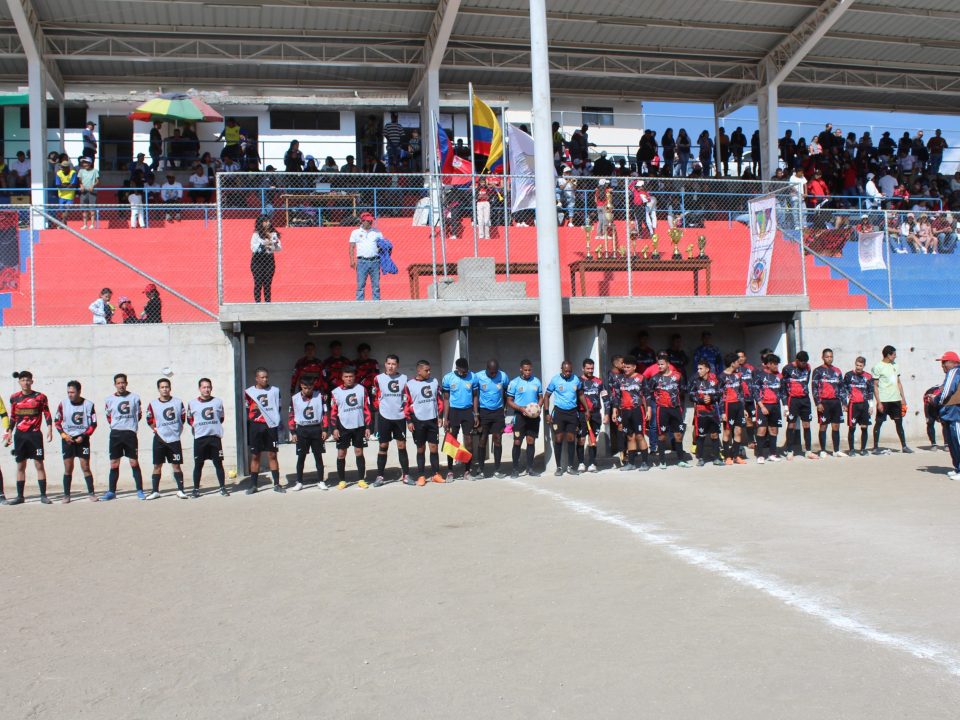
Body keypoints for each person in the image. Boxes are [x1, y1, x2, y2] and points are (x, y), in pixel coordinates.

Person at [4, 371, 53, 505]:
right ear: (19, 382)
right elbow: (13, 416)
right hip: (20, 435)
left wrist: (49, 428)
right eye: (23, 380)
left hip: (35, 435)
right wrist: (9, 432)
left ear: (32, 381)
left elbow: (47, 413)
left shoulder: (40, 397)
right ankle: (20, 496)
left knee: (39, 464)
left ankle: (43, 495)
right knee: (20, 465)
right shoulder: (14, 397)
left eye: (28, 380)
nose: (25, 382)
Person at [102, 373, 144, 500]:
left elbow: (139, 414)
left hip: (130, 433)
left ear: (126, 383)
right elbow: (109, 416)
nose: (121, 385)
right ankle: (111, 491)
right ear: (115, 385)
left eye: (123, 382)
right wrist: (117, 425)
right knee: (114, 463)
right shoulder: (109, 399)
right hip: (116, 433)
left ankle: (140, 490)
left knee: (133, 462)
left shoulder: (135, 398)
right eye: (118, 383)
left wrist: (130, 425)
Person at [404, 359, 446, 485]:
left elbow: (439, 400)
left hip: (432, 420)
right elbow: (406, 404)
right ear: (419, 371)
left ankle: (436, 474)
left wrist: (440, 416)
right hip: (418, 421)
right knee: (421, 449)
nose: (429, 372)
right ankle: (421, 475)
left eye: (429, 370)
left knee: (434, 448)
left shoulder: (434, 382)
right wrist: (409, 420)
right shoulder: (409, 384)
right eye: (426, 370)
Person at [55, 380, 97, 503]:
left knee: (85, 467)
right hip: (68, 439)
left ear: (79, 392)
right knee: (68, 467)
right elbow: (57, 421)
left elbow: (93, 423)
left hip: (82, 439)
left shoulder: (88, 404)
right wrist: (64, 435)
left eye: (72, 392)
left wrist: (83, 436)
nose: (70, 394)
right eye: (68, 392)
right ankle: (66, 495)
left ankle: (91, 493)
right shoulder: (63, 404)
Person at [144, 378, 187, 500]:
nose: (164, 389)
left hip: (174, 440)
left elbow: (183, 418)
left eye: (166, 387)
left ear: (170, 388)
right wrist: (157, 430)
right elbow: (149, 419)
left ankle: (181, 490)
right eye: (162, 387)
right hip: (160, 440)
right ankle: (155, 491)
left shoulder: (178, 402)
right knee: (157, 465)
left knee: (176, 466)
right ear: (159, 389)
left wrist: (176, 431)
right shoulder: (153, 404)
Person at [244, 367, 284, 494]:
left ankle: (277, 484)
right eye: (262, 377)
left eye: (266, 377)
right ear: (256, 378)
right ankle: (253, 485)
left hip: (270, 426)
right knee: (255, 455)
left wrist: (271, 418)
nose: (265, 379)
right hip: (256, 427)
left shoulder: (275, 391)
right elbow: (247, 409)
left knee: (272, 454)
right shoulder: (249, 392)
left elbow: (279, 407)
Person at [647, 352, 690, 469]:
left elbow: (683, 389)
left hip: (676, 409)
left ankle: (681, 460)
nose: (659, 366)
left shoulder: (678, 376)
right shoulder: (655, 378)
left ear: (668, 364)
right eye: (658, 364)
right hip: (662, 410)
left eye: (662, 364)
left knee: (678, 435)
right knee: (662, 436)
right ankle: (662, 461)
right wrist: (650, 406)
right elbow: (648, 393)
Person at [331, 366, 372, 489]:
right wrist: (334, 428)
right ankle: (342, 481)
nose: (349, 379)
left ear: (354, 377)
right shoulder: (336, 392)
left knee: (359, 452)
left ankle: (361, 480)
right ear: (342, 378)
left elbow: (366, 408)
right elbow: (333, 412)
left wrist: (368, 426)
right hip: (343, 427)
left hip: (359, 426)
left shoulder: (362, 389)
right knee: (341, 453)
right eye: (346, 377)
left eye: (351, 376)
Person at [187, 377, 229, 497]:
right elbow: (189, 419)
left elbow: (221, 418)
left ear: (211, 388)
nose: (206, 389)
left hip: (214, 438)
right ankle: (196, 489)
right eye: (204, 387)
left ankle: (222, 487)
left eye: (208, 387)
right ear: (199, 388)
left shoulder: (218, 402)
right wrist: (199, 427)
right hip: (200, 438)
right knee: (198, 464)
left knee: (218, 463)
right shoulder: (192, 403)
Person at [373, 354, 410, 486]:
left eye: (393, 364)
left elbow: (407, 397)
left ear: (397, 365)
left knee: (402, 446)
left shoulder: (404, 378)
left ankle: (406, 475)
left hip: (399, 417)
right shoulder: (378, 378)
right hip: (384, 417)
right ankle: (380, 476)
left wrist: (406, 414)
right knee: (383, 446)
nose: (391, 366)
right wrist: (379, 408)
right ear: (385, 364)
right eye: (388, 363)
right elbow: (374, 396)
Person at [543, 360, 585, 476]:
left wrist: (586, 409)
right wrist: (546, 413)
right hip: (559, 413)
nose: (568, 373)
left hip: (572, 413)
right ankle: (559, 467)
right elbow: (546, 396)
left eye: (570, 371)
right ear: (561, 369)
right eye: (566, 371)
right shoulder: (555, 380)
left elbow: (581, 395)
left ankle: (570, 466)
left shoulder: (576, 379)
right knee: (558, 439)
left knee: (571, 439)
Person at [609, 356, 650, 472]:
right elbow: (616, 396)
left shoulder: (641, 378)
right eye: (625, 367)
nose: (626, 369)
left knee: (639, 436)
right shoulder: (619, 379)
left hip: (637, 410)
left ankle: (645, 462)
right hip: (625, 411)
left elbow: (647, 395)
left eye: (628, 367)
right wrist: (614, 410)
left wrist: (648, 410)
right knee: (629, 436)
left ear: (634, 367)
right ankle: (631, 463)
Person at [441, 358, 479, 481]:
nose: (464, 373)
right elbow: (446, 399)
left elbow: (475, 396)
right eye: (462, 371)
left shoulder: (473, 377)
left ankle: (467, 471)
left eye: (466, 371)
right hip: (454, 412)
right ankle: (450, 471)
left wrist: (476, 414)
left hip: (468, 412)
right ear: (457, 368)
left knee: (469, 441)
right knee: (452, 441)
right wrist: (445, 418)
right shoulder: (448, 378)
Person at [289, 376, 328, 491]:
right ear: (301, 386)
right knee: (301, 457)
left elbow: (325, 413)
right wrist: (293, 432)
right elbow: (291, 415)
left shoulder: (319, 396)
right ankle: (299, 482)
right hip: (302, 430)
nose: (307, 390)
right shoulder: (295, 398)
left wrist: (325, 429)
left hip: (316, 429)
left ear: (313, 386)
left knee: (318, 456)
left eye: (310, 388)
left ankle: (321, 481)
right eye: (305, 388)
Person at [872, 345, 912, 454]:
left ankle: (904, 446)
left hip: (896, 400)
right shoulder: (878, 367)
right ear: (888, 355)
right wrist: (879, 402)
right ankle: (875, 447)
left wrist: (903, 398)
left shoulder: (895, 365)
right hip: (884, 400)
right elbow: (875, 385)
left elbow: (898, 382)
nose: (895, 356)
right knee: (879, 423)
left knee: (899, 423)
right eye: (894, 354)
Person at [506, 359, 543, 478]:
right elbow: (509, 401)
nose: (528, 372)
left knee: (530, 441)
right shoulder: (514, 383)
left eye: (529, 370)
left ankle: (530, 468)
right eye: (525, 370)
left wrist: (538, 407)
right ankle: (515, 469)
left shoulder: (536, 381)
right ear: (521, 369)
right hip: (520, 416)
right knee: (517, 441)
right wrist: (521, 409)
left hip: (533, 417)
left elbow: (541, 397)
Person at [475, 359, 509, 479]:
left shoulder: (503, 376)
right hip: (484, 411)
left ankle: (497, 469)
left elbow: (507, 392)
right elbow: (474, 395)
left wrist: (505, 408)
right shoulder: (478, 376)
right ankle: (481, 470)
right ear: (487, 369)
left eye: (495, 372)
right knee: (482, 439)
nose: (494, 374)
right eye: (491, 372)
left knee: (497, 439)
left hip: (498, 412)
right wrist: (476, 414)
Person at [781, 351, 818, 460]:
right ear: (797, 361)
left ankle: (808, 451)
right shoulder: (787, 369)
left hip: (805, 399)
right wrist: (785, 405)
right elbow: (783, 387)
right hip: (792, 400)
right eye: (802, 362)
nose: (804, 364)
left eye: (805, 362)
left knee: (806, 424)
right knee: (791, 425)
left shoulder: (808, 368)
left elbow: (806, 382)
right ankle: (789, 450)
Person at [812, 348, 846, 458]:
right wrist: (818, 403)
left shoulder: (837, 371)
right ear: (822, 357)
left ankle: (836, 450)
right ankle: (822, 450)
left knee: (836, 426)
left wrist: (844, 402)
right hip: (824, 402)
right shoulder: (818, 371)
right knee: (823, 426)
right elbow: (814, 388)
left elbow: (841, 388)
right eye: (827, 357)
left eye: (831, 356)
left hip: (835, 402)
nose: (829, 359)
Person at [933, 352, 960, 480]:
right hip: (951, 413)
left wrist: (936, 400)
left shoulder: (954, 371)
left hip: (955, 413)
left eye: (944, 362)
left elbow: (947, 391)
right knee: (952, 443)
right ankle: (958, 468)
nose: (942, 365)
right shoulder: (952, 373)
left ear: (953, 362)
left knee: (957, 441)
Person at [689, 360, 722, 466]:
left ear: (707, 369)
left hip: (713, 412)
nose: (698, 371)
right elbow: (691, 395)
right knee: (701, 435)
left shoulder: (716, 380)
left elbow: (720, 393)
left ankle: (716, 458)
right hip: (700, 413)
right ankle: (701, 458)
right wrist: (701, 400)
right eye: (698, 369)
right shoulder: (695, 381)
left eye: (701, 369)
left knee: (714, 435)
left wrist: (712, 398)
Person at [753, 353, 784, 464]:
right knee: (761, 430)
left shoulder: (779, 376)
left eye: (777, 364)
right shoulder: (759, 375)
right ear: (769, 364)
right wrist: (762, 406)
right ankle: (760, 455)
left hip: (775, 406)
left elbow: (782, 392)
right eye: (774, 364)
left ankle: (772, 454)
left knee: (774, 430)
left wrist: (785, 406)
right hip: (763, 406)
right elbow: (755, 392)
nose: (776, 366)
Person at [576, 358, 606, 473]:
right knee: (581, 439)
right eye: (588, 368)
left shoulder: (599, 381)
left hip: (596, 414)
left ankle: (592, 463)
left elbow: (605, 398)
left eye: (592, 368)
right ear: (583, 368)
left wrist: (607, 413)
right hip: (581, 413)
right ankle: (581, 463)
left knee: (592, 439)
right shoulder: (577, 381)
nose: (590, 370)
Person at [718, 352, 747, 465]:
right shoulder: (721, 377)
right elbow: (719, 396)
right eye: (737, 362)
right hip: (727, 406)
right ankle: (727, 456)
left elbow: (741, 392)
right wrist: (722, 412)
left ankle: (736, 456)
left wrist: (743, 408)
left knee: (738, 431)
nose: (739, 363)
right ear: (732, 363)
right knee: (727, 431)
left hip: (738, 405)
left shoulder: (738, 375)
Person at [843, 356, 873, 456]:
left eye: (860, 366)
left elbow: (870, 392)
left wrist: (871, 406)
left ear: (864, 366)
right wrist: (844, 403)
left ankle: (863, 449)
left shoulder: (868, 376)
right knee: (852, 428)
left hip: (864, 405)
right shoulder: (848, 375)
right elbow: (843, 389)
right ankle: (851, 449)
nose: (858, 367)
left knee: (864, 427)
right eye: (857, 365)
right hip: (853, 405)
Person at [349, 212, 382, 301]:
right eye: (368, 221)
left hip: (375, 261)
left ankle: (376, 304)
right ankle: (360, 304)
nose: (370, 222)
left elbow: (381, 246)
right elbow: (352, 247)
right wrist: (352, 260)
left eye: (371, 221)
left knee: (376, 285)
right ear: (362, 221)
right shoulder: (355, 232)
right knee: (360, 285)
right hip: (362, 261)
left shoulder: (377, 232)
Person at [250, 214, 281, 303]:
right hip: (257, 261)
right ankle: (257, 303)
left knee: (267, 284)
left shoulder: (273, 234)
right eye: (265, 221)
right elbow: (253, 248)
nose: (268, 223)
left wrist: (273, 245)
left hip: (269, 261)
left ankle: (268, 303)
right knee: (258, 283)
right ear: (261, 223)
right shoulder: (256, 235)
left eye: (268, 221)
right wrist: (264, 244)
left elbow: (279, 248)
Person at [77, 156, 99, 230]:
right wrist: (81, 185)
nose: (85, 164)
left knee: (92, 208)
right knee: (84, 209)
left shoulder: (95, 171)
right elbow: (80, 180)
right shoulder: (81, 171)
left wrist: (93, 186)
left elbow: (97, 181)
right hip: (83, 192)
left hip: (92, 191)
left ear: (90, 163)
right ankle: (85, 224)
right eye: (83, 163)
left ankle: (92, 224)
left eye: (86, 162)